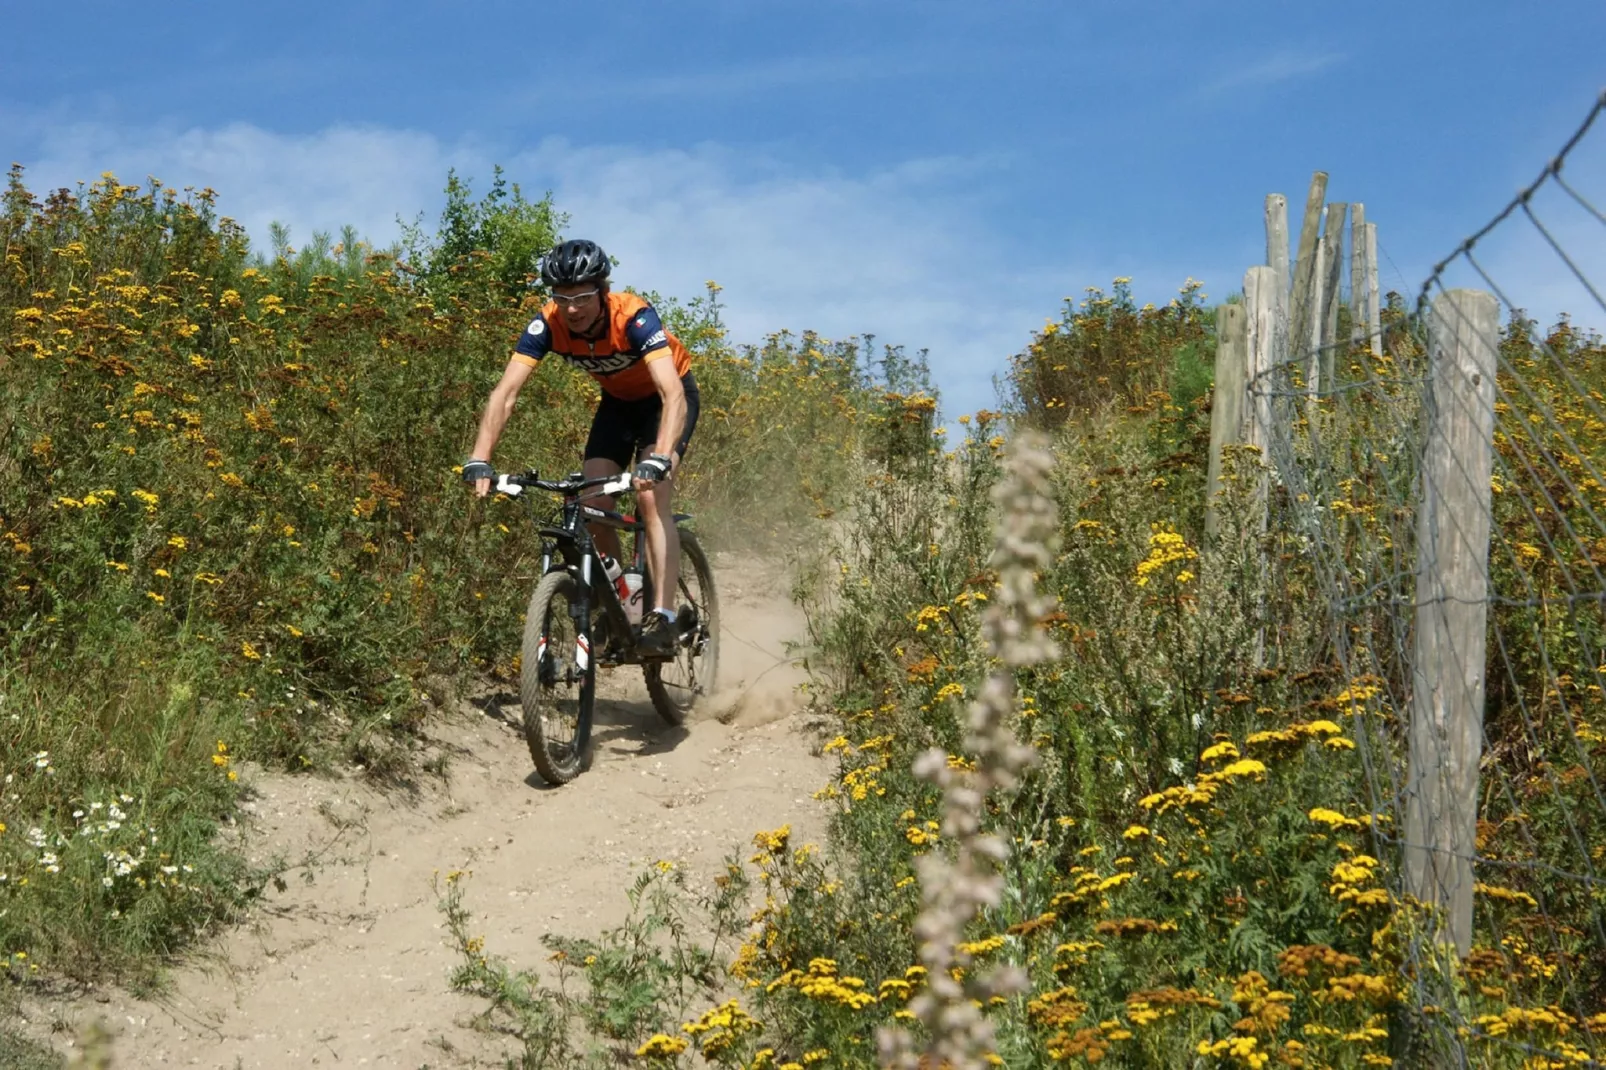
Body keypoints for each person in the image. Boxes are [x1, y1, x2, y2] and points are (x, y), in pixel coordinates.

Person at [461, 238, 699, 657]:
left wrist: (660, 457)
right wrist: (480, 458)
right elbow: (507, 393)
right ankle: (623, 596)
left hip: (666, 401)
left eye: (583, 297)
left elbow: (671, 393)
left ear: (603, 292)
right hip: (618, 405)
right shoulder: (547, 323)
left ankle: (662, 615)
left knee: (650, 494)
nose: (573, 308)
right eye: (563, 297)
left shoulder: (634, 317)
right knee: (592, 496)